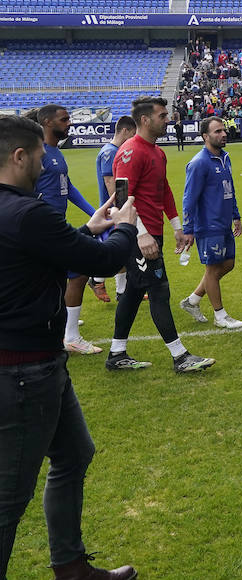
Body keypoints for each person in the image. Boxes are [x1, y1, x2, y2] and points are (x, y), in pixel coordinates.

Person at [0, 115, 140, 580]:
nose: (44, 161)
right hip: (24, 369)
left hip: (39, 362)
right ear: (19, 156)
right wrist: (123, 226)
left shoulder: (16, 213)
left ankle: (72, 566)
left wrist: (91, 228)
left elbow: (50, 253)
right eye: (38, 154)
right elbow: (103, 261)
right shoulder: (27, 212)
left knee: (74, 454)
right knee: (9, 499)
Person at [106, 97, 215, 374]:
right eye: (163, 116)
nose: (168, 120)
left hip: (152, 232)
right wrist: (141, 235)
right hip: (137, 235)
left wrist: (177, 226)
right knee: (159, 289)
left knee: (132, 292)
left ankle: (116, 353)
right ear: (145, 120)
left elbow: (163, 190)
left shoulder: (157, 152)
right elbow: (120, 199)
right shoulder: (131, 152)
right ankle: (180, 356)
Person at [31, 106, 102, 357]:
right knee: (78, 272)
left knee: (58, 276)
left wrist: (94, 212)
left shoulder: (55, 153)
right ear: (47, 122)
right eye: (65, 119)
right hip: (45, 228)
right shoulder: (37, 153)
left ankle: (59, 319)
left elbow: (67, 187)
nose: (70, 123)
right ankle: (70, 336)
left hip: (55, 226)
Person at [177, 118, 242, 329]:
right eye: (217, 131)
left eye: (224, 130)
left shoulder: (225, 158)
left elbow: (229, 189)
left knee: (228, 264)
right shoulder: (199, 163)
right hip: (207, 226)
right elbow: (189, 199)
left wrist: (236, 215)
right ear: (205, 136)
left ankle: (193, 301)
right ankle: (220, 315)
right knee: (212, 269)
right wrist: (188, 229)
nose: (223, 134)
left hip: (224, 223)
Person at [95, 115, 136, 303]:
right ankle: (96, 279)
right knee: (117, 252)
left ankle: (120, 291)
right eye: (132, 134)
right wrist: (122, 208)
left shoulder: (114, 150)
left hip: (115, 211)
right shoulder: (110, 152)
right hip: (113, 212)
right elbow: (110, 182)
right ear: (125, 131)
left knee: (123, 251)